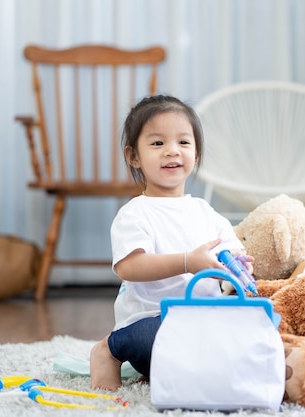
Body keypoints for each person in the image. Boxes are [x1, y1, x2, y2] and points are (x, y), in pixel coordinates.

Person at [90, 95, 251, 391]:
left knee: (250, 330)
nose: (172, 151)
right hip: (153, 320)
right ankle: (109, 350)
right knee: (156, 336)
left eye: (183, 143)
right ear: (133, 156)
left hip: (204, 319)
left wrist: (236, 264)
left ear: (197, 154)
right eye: (157, 143)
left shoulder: (205, 212)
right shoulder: (135, 213)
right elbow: (129, 266)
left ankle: (187, 366)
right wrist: (187, 261)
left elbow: (230, 251)